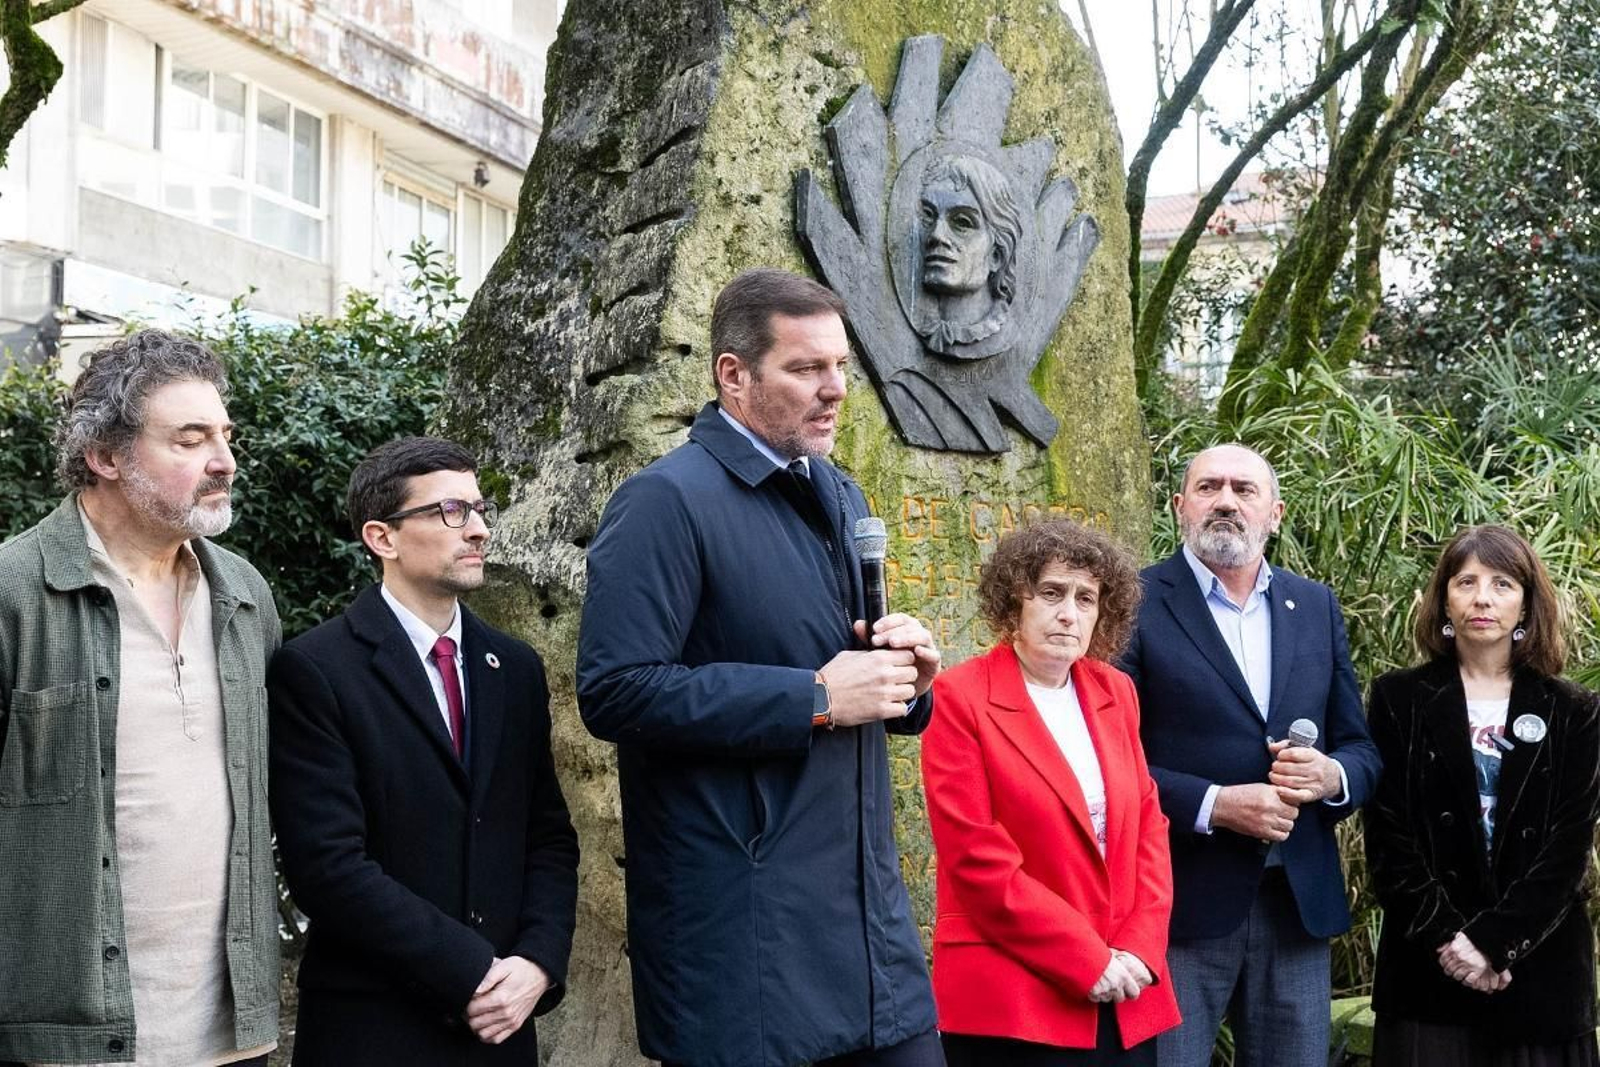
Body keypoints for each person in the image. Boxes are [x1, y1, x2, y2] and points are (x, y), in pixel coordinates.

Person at [577, 268, 944, 1067]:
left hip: (871, 940)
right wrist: (813, 697)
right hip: (747, 955)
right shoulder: (662, 502)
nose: (835, 389)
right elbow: (615, 690)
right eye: (806, 368)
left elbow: (853, 681)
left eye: (840, 367)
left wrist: (905, 680)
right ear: (733, 375)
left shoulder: (839, 494)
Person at [0, 330, 281, 1065]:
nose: (224, 461)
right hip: (65, 1038)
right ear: (105, 455)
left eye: (224, 436)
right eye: (189, 440)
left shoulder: (245, 594)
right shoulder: (14, 591)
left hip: (230, 1031)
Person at [268, 437, 579, 1065]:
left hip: (501, 1027)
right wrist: (473, 971)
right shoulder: (316, 669)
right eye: (451, 512)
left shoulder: (514, 668)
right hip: (374, 1026)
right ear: (382, 538)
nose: (480, 530)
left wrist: (537, 965)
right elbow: (327, 867)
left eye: (480, 508)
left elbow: (547, 836)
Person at [1117, 443, 1381, 1067]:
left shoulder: (1315, 604)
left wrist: (1330, 774)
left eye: (1244, 489)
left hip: (1296, 905)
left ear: (1276, 513)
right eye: (1209, 487)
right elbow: (1109, 759)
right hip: (1177, 904)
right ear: (1180, 505)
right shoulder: (1133, 601)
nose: (1227, 501)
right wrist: (1215, 804)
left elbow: (1362, 749)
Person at [922, 519, 1180, 1067]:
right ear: (1013, 601)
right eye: (1051, 593)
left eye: (1087, 598)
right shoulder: (959, 697)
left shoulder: (1116, 691)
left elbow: (1149, 827)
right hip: (1014, 994)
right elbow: (976, 858)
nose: (1069, 613)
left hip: (1127, 983)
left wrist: (1140, 944)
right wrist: (1086, 959)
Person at [1365, 525, 1600, 1067]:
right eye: (1466, 582)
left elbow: (1568, 848)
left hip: (1539, 969)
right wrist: (1454, 943)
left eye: (1502, 584)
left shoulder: (1573, 710)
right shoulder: (1399, 699)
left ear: (1527, 603)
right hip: (1430, 968)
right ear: (1444, 599)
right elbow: (1388, 837)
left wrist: (1494, 942)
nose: (1483, 598)